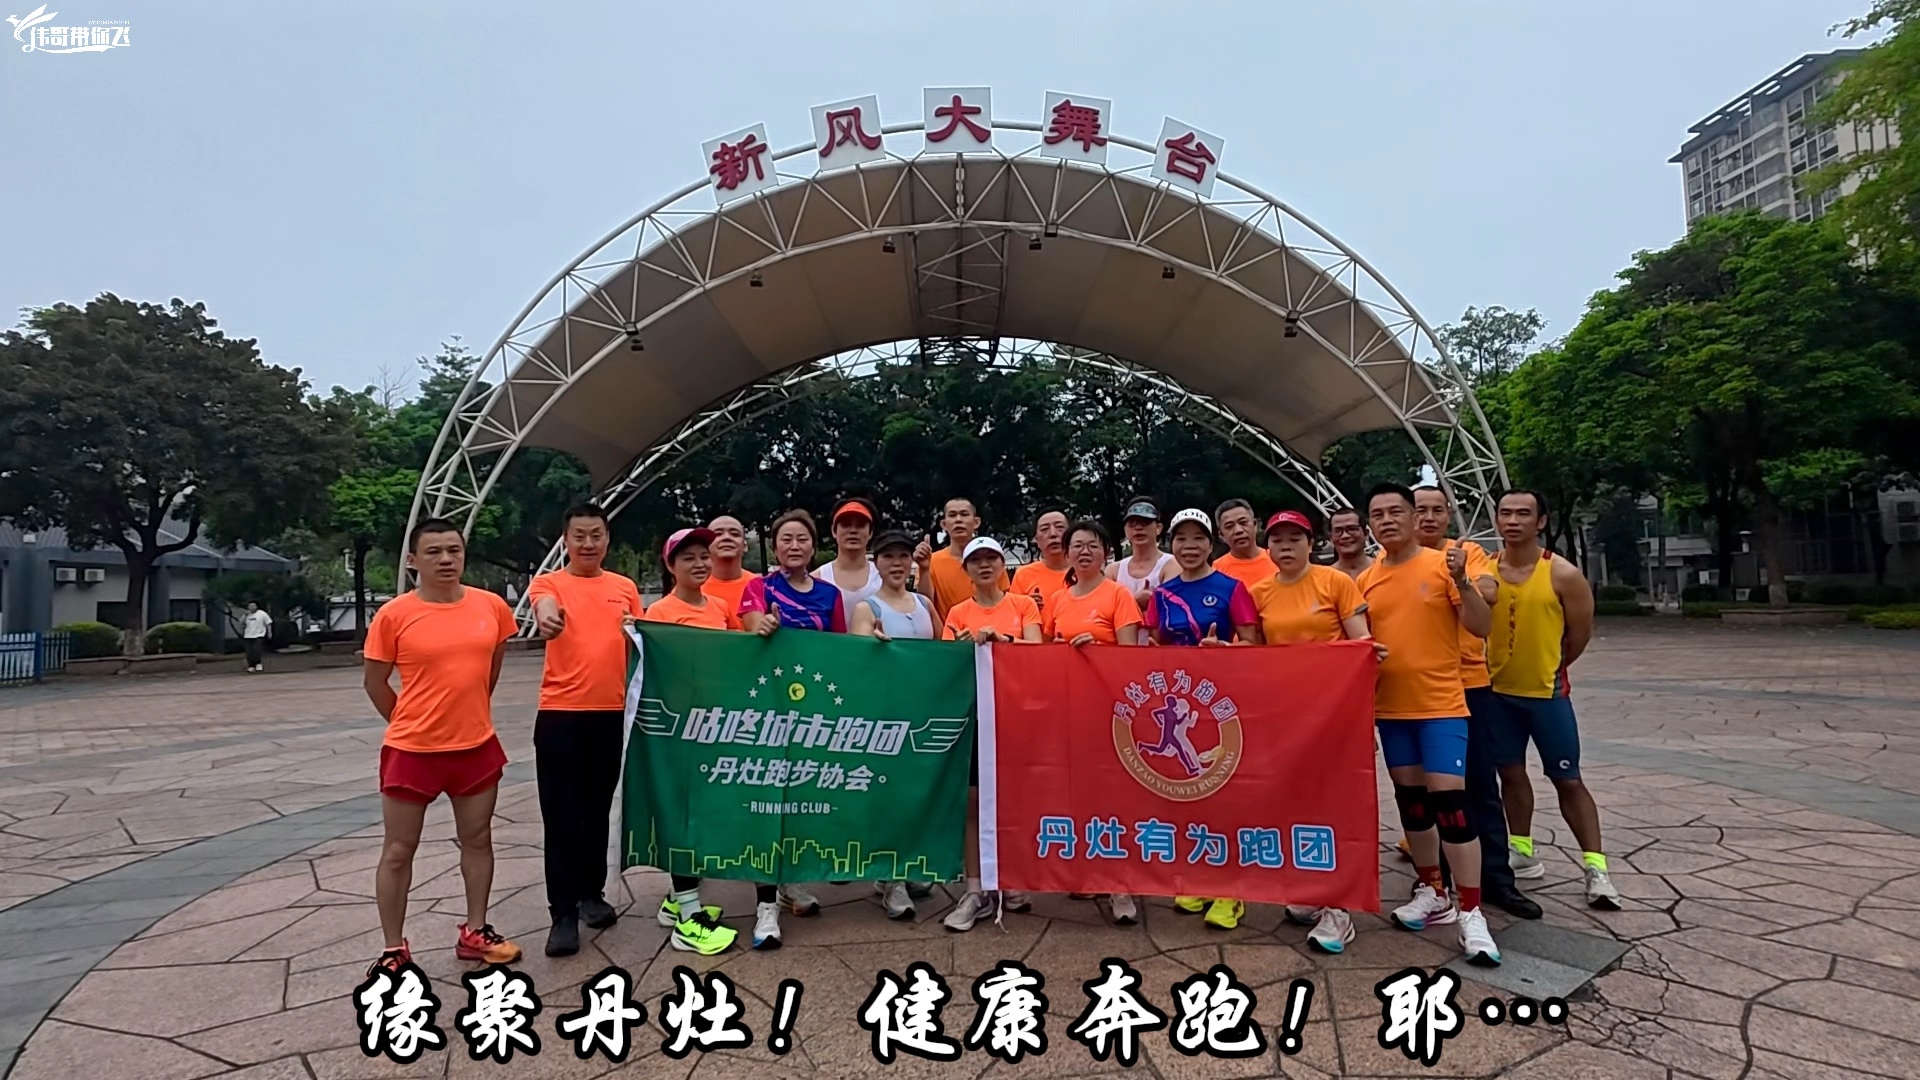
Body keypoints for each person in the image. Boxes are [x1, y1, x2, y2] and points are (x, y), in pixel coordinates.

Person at [361, 518, 522, 976]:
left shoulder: (492, 607)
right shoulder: (394, 615)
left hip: (476, 747)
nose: (446, 559)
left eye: (454, 550)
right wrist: (410, 722)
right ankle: (393, 948)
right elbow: (375, 683)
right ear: (413, 560)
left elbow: (489, 672)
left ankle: (476, 931)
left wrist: (466, 716)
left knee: (478, 839)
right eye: (434, 552)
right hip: (411, 752)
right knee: (398, 850)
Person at [1357, 483, 1501, 967]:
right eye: (1378, 514)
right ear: (1370, 524)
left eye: (1395, 511)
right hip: (1392, 710)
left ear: (1413, 517)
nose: (1387, 520)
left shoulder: (1444, 565)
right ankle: (1433, 891)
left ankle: (1472, 910)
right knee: (1413, 805)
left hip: (1441, 705)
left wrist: (1463, 582)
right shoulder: (1367, 580)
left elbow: (1481, 626)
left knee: (1451, 804)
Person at [1246, 509, 1379, 952]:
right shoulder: (1259, 592)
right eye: (1277, 539)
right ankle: (1313, 888)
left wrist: (1366, 654)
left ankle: (1339, 908)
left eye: (1295, 539)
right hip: (1285, 718)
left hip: (1334, 713)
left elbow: (1360, 640)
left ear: (1311, 544)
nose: (1286, 546)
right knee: (1298, 803)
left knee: (1337, 805)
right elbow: (1254, 654)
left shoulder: (1335, 582)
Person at [1486, 490, 1619, 910]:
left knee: (1568, 780)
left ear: (1541, 521)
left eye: (1523, 514)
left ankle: (1596, 868)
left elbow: (1580, 633)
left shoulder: (1562, 574)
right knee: (1510, 773)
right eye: (1506, 513)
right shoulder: (1484, 570)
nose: (1513, 521)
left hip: (1546, 695)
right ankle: (1523, 850)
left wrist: (1552, 666)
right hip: (1497, 694)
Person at [1413, 486, 1541, 921]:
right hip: (1419, 693)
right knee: (1430, 793)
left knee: (1481, 786)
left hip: (1469, 687)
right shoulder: (1394, 564)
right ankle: (1437, 881)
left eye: (1437, 510)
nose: (1429, 518)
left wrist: (1463, 577)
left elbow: (1489, 591)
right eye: (1420, 510)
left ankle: (1497, 879)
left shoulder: (1467, 553)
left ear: (1449, 513)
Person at [526, 504, 648, 957]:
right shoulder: (550, 583)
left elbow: (639, 639)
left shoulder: (624, 587)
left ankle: (591, 894)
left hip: (611, 713)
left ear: (607, 539)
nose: (588, 543)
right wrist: (548, 617)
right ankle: (562, 913)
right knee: (561, 815)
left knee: (597, 810)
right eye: (579, 535)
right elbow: (544, 607)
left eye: (596, 535)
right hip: (561, 715)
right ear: (566, 540)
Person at [1144, 509, 1258, 929]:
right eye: (1181, 538)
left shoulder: (1231, 588)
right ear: (1171, 544)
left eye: (1198, 538)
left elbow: (1253, 644)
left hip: (1222, 704)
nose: (1189, 546)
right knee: (1190, 791)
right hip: (1179, 706)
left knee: (1225, 792)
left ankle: (1231, 891)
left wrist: (1224, 651)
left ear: (1211, 544)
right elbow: (1154, 646)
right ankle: (1202, 878)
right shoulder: (1163, 594)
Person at [736, 509, 844, 947]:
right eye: (786, 539)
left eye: (802, 539)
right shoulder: (759, 588)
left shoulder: (830, 594)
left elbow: (842, 650)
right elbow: (750, 626)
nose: (794, 546)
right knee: (768, 804)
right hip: (768, 712)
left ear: (813, 546)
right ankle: (766, 908)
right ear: (774, 546)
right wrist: (763, 626)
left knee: (802, 800)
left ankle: (790, 881)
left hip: (813, 713)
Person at [644, 526, 744, 955]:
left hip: (716, 727)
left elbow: (741, 652)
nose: (700, 563)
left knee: (702, 814)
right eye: (688, 557)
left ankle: (676, 901)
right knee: (682, 816)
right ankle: (688, 919)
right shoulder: (659, 612)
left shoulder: (720, 607)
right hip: (680, 730)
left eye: (704, 556)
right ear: (670, 566)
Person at [941, 536, 1041, 933]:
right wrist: (964, 647)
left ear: (1003, 566)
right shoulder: (958, 612)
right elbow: (945, 664)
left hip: (1016, 715)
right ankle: (975, 888)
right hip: (974, 716)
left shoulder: (1023, 605)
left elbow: (1037, 650)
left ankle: (1010, 877)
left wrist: (1005, 643)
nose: (985, 566)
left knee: (1013, 799)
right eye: (976, 561)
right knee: (973, 801)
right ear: (965, 570)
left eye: (992, 559)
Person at [850, 529, 942, 921]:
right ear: (877, 562)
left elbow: (945, 650)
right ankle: (892, 878)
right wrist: (872, 645)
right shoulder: (866, 608)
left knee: (915, 796)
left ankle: (904, 867)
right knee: (889, 796)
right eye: (888, 556)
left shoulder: (924, 603)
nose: (897, 563)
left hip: (922, 712)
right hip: (886, 716)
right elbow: (857, 657)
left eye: (903, 556)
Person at [915, 497, 1008, 626]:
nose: (958, 520)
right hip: (949, 634)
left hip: (989, 632)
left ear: (976, 522)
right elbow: (924, 604)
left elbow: (1005, 602)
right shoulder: (931, 562)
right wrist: (924, 569)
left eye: (964, 514)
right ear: (944, 524)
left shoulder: (992, 563)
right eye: (952, 515)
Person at [1106, 497, 1177, 609]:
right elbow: (1105, 610)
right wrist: (1136, 601)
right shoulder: (1113, 571)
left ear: (1158, 528)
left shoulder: (1172, 565)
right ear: (1125, 530)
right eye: (1132, 523)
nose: (1138, 528)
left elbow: (1170, 606)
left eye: (1145, 522)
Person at [814, 498, 881, 608]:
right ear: (834, 531)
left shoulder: (882, 577)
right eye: (846, 525)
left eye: (860, 525)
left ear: (870, 532)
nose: (853, 531)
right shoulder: (817, 579)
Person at [1009, 509, 1071, 621]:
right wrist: (1027, 607)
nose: (1053, 534)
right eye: (1044, 529)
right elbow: (1012, 617)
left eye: (1060, 527)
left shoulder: (1085, 572)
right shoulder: (1023, 574)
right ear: (1036, 540)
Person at [1210, 499, 1274, 592]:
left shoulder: (1276, 559)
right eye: (1229, 526)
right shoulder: (1217, 570)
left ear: (1255, 525)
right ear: (1221, 535)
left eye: (1243, 522)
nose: (1238, 530)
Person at [702, 514, 753, 618]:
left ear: (745, 546)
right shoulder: (692, 590)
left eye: (734, 534)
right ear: (706, 546)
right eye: (718, 534)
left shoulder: (762, 587)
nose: (726, 538)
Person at [1328, 506, 1373, 580]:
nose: (1345, 536)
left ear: (1366, 534)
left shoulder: (1383, 569)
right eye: (1338, 531)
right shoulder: (1324, 578)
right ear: (1330, 538)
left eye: (1352, 529)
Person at [241, 602, 272, 672]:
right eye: (250, 606)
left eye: (253, 606)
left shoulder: (262, 613)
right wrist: (245, 615)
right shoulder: (247, 615)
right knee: (249, 652)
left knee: (257, 650)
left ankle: (258, 664)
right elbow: (241, 622)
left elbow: (268, 623)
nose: (252, 608)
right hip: (248, 635)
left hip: (259, 635)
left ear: (256, 607)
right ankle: (251, 666)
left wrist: (269, 632)